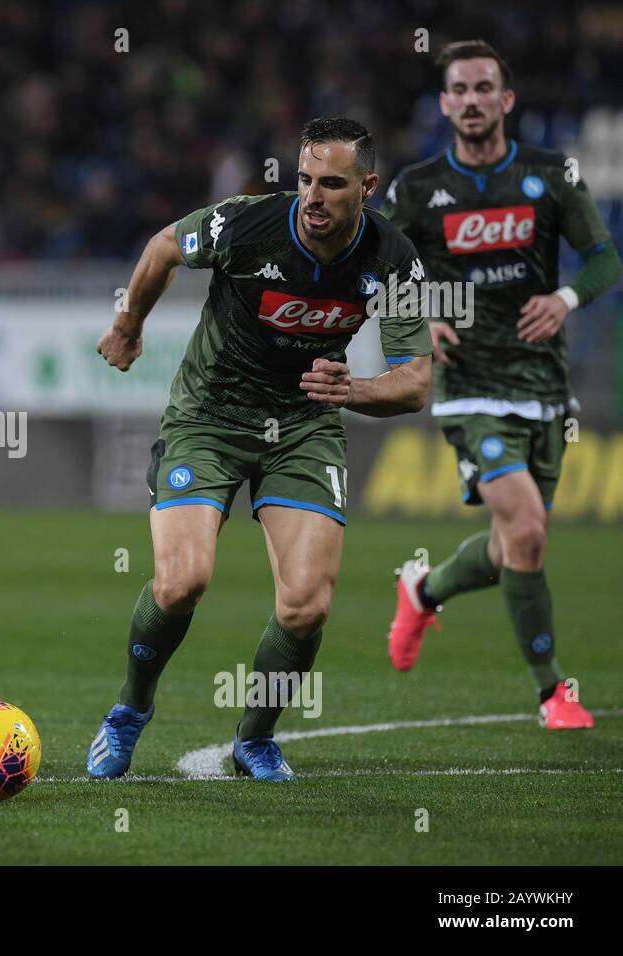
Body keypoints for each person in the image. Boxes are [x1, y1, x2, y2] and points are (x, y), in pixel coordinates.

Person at [88, 118, 432, 781]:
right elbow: (163, 246)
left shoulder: (393, 257)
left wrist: (355, 388)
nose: (313, 196)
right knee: (182, 580)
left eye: (332, 184)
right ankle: (131, 709)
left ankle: (253, 739)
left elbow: (416, 381)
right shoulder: (246, 225)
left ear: (367, 186)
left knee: (307, 604)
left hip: (305, 426)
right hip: (209, 417)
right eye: (305, 179)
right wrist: (127, 325)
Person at [382, 40, 619, 728]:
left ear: (506, 100)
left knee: (516, 542)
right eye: (460, 88)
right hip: (468, 385)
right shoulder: (419, 189)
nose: (474, 99)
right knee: (525, 526)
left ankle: (422, 591)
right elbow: (372, 267)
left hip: (544, 385)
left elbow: (605, 259)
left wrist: (567, 299)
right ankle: (553, 693)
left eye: (486, 87)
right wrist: (416, 317)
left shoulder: (551, 175)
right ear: (446, 103)